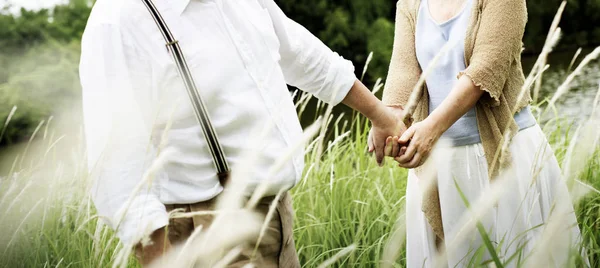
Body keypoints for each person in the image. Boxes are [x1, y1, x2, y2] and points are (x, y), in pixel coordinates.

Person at [79, 0, 402, 266]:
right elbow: (117, 171)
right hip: (204, 231)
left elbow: (303, 55)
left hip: (277, 214)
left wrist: (380, 115)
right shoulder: (117, 20)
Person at [372, 0, 583, 266]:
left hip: (502, 155)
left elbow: (485, 71)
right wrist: (386, 118)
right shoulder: (410, 4)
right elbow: (403, 71)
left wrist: (431, 128)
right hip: (438, 163)